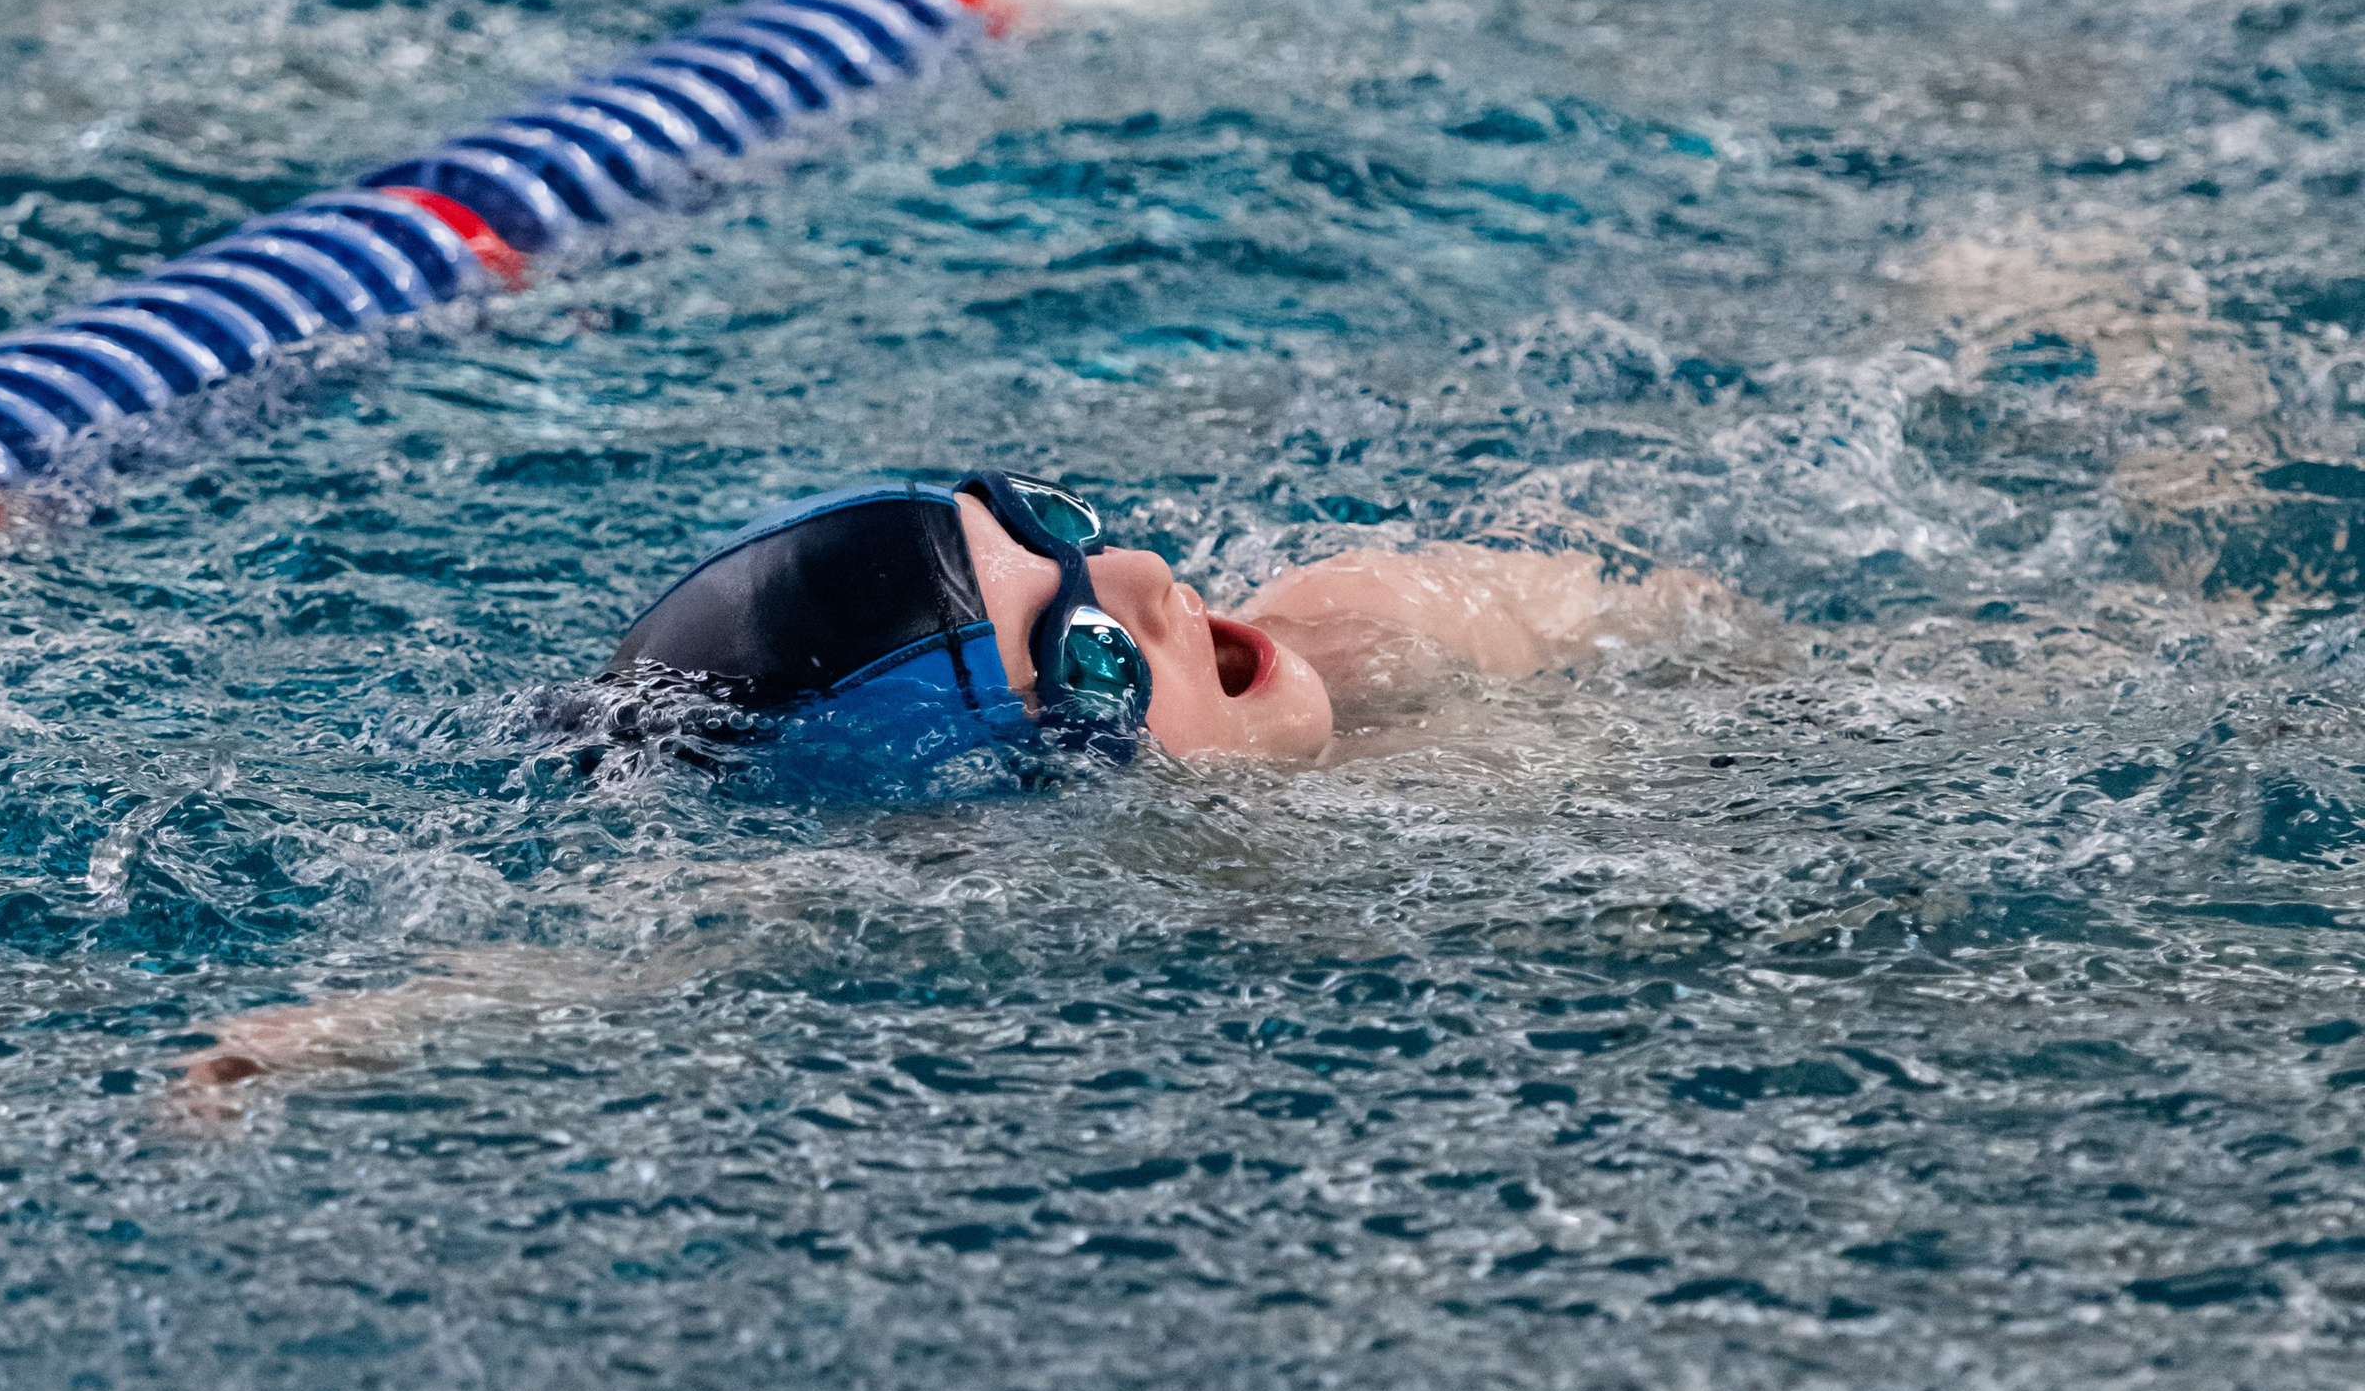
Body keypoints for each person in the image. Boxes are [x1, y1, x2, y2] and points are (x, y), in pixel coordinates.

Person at [177, 469, 1716, 1091]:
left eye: (1062, 523)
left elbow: (1713, 628)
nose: (1160, 577)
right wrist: (346, 1033)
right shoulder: (1041, 897)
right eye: (1098, 653)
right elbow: (687, 937)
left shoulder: (1381, 628)